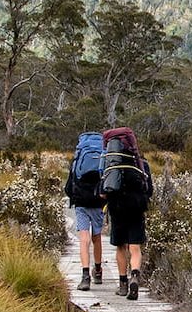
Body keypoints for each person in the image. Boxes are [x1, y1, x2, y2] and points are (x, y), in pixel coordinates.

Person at [99, 125, 153, 300]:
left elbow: (102, 192)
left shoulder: (110, 165)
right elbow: (149, 190)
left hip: (117, 209)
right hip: (136, 208)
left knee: (120, 247)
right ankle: (135, 276)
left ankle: (122, 284)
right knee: (135, 247)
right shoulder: (141, 164)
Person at [63, 129, 106, 289]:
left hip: (81, 202)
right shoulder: (102, 154)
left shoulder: (78, 157)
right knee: (97, 237)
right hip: (98, 201)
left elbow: (69, 186)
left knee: (84, 238)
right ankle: (99, 270)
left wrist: (73, 197)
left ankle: (85, 275)